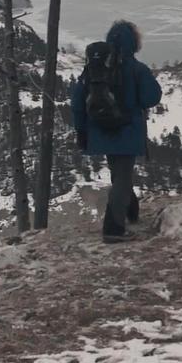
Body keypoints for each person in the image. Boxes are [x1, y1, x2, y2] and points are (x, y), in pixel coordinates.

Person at [71, 20, 162, 243]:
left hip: (101, 129)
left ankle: (131, 213)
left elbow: (77, 102)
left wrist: (82, 131)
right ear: (134, 42)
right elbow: (152, 98)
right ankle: (113, 229)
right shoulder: (136, 68)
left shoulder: (94, 70)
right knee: (122, 177)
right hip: (127, 129)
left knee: (119, 172)